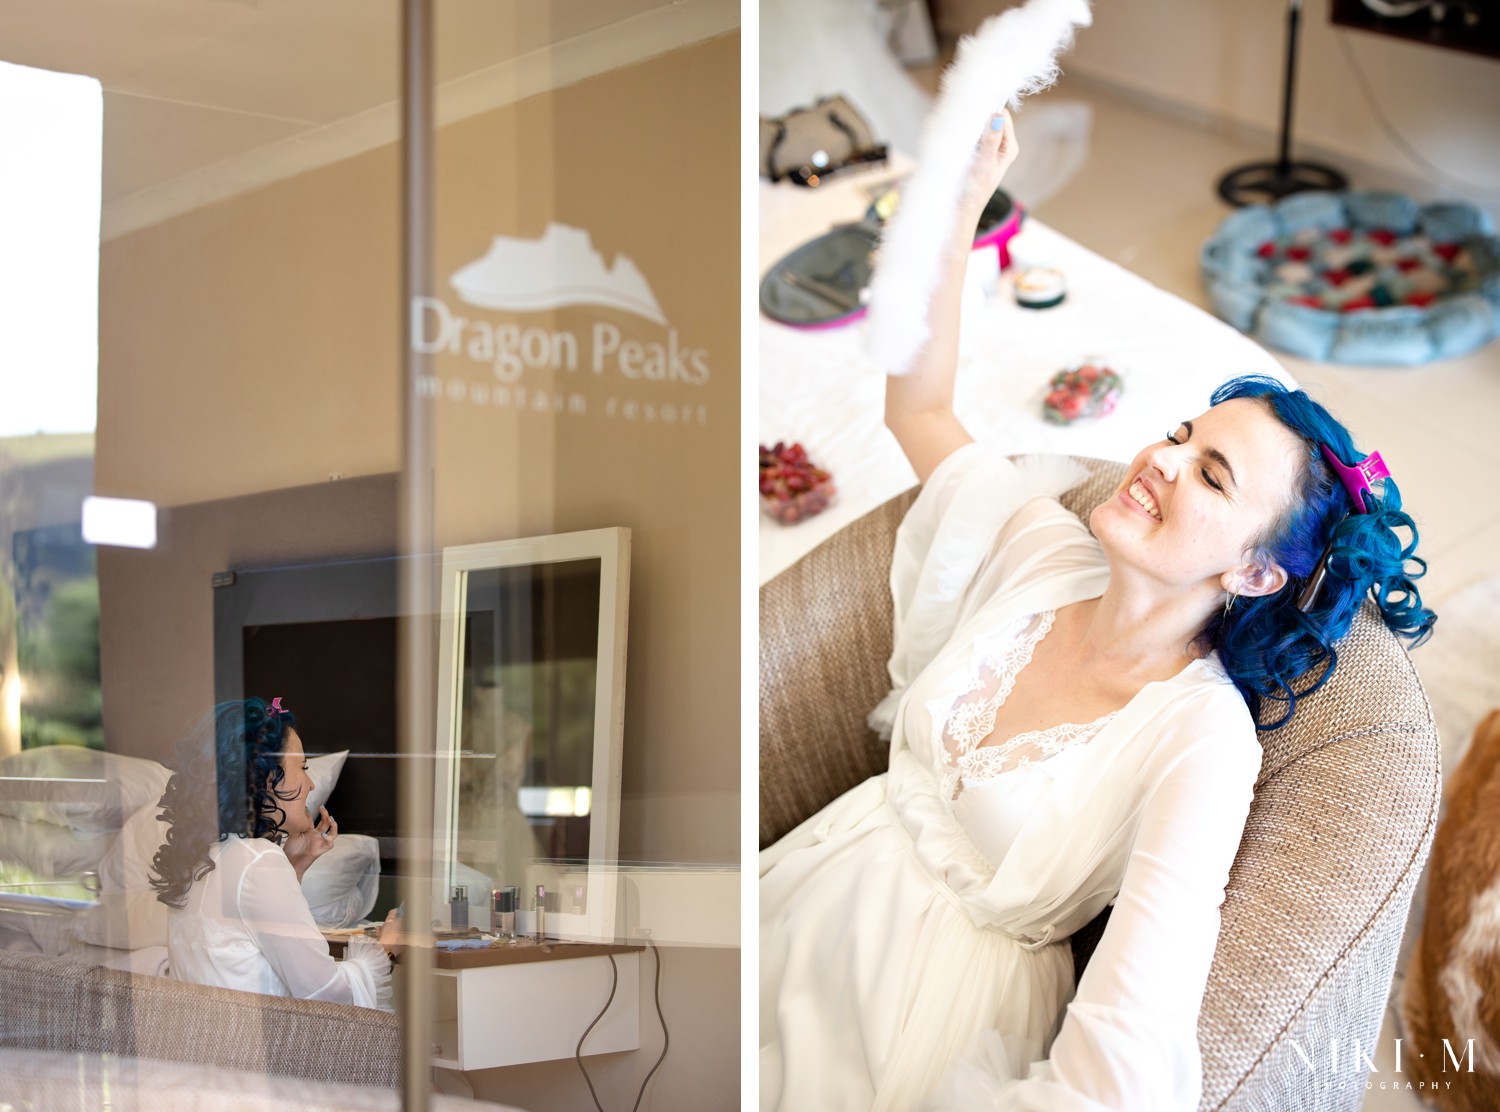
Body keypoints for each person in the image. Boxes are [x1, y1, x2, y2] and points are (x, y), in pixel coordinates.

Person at [759, 112, 1436, 1110]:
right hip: (800, 892)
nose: (1157, 457)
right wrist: (952, 219)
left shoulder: (1201, 744)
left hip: (911, 1025)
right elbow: (921, 409)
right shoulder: (1043, 554)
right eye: (1178, 432)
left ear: (1256, 573)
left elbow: (1123, 1063)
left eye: (1208, 472)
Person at [150, 696, 401, 1009]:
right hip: (259, 1054)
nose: (310, 784)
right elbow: (327, 994)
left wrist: (293, 867)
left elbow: (245, 948)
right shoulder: (258, 861)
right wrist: (387, 948)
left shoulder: (202, 857)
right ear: (266, 777)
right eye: (302, 766)